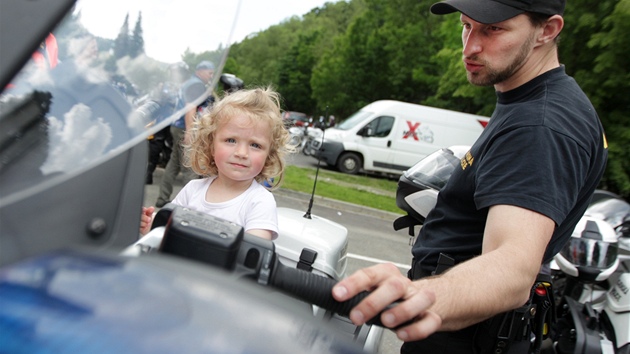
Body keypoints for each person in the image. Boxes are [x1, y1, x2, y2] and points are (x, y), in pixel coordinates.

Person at [331, 1, 608, 353]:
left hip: (466, 338)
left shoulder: (540, 124)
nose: (471, 46)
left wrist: (425, 294)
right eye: (467, 26)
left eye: (493, 29)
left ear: (548, 30)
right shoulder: (535, 101)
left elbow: (513, 270)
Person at [141, 87, 292, 240]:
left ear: (269, 155)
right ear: (211, 146)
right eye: (231, 140)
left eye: (255, 145)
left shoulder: (260, 202)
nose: (241, 153)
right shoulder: (193, 190)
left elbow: (252, 252)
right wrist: (152, 227)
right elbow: (167, 234)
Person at [155, 60, 216, 207]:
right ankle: (191, 206)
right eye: (210, 73)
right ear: (200, 71)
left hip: (176, 126)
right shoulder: (197, 85)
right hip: (185, 128)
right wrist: (190, 131)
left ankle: (162, 198)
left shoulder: (190, 82)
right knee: (190, 167)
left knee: (174, 163)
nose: (211, 76)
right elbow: (190, 107)